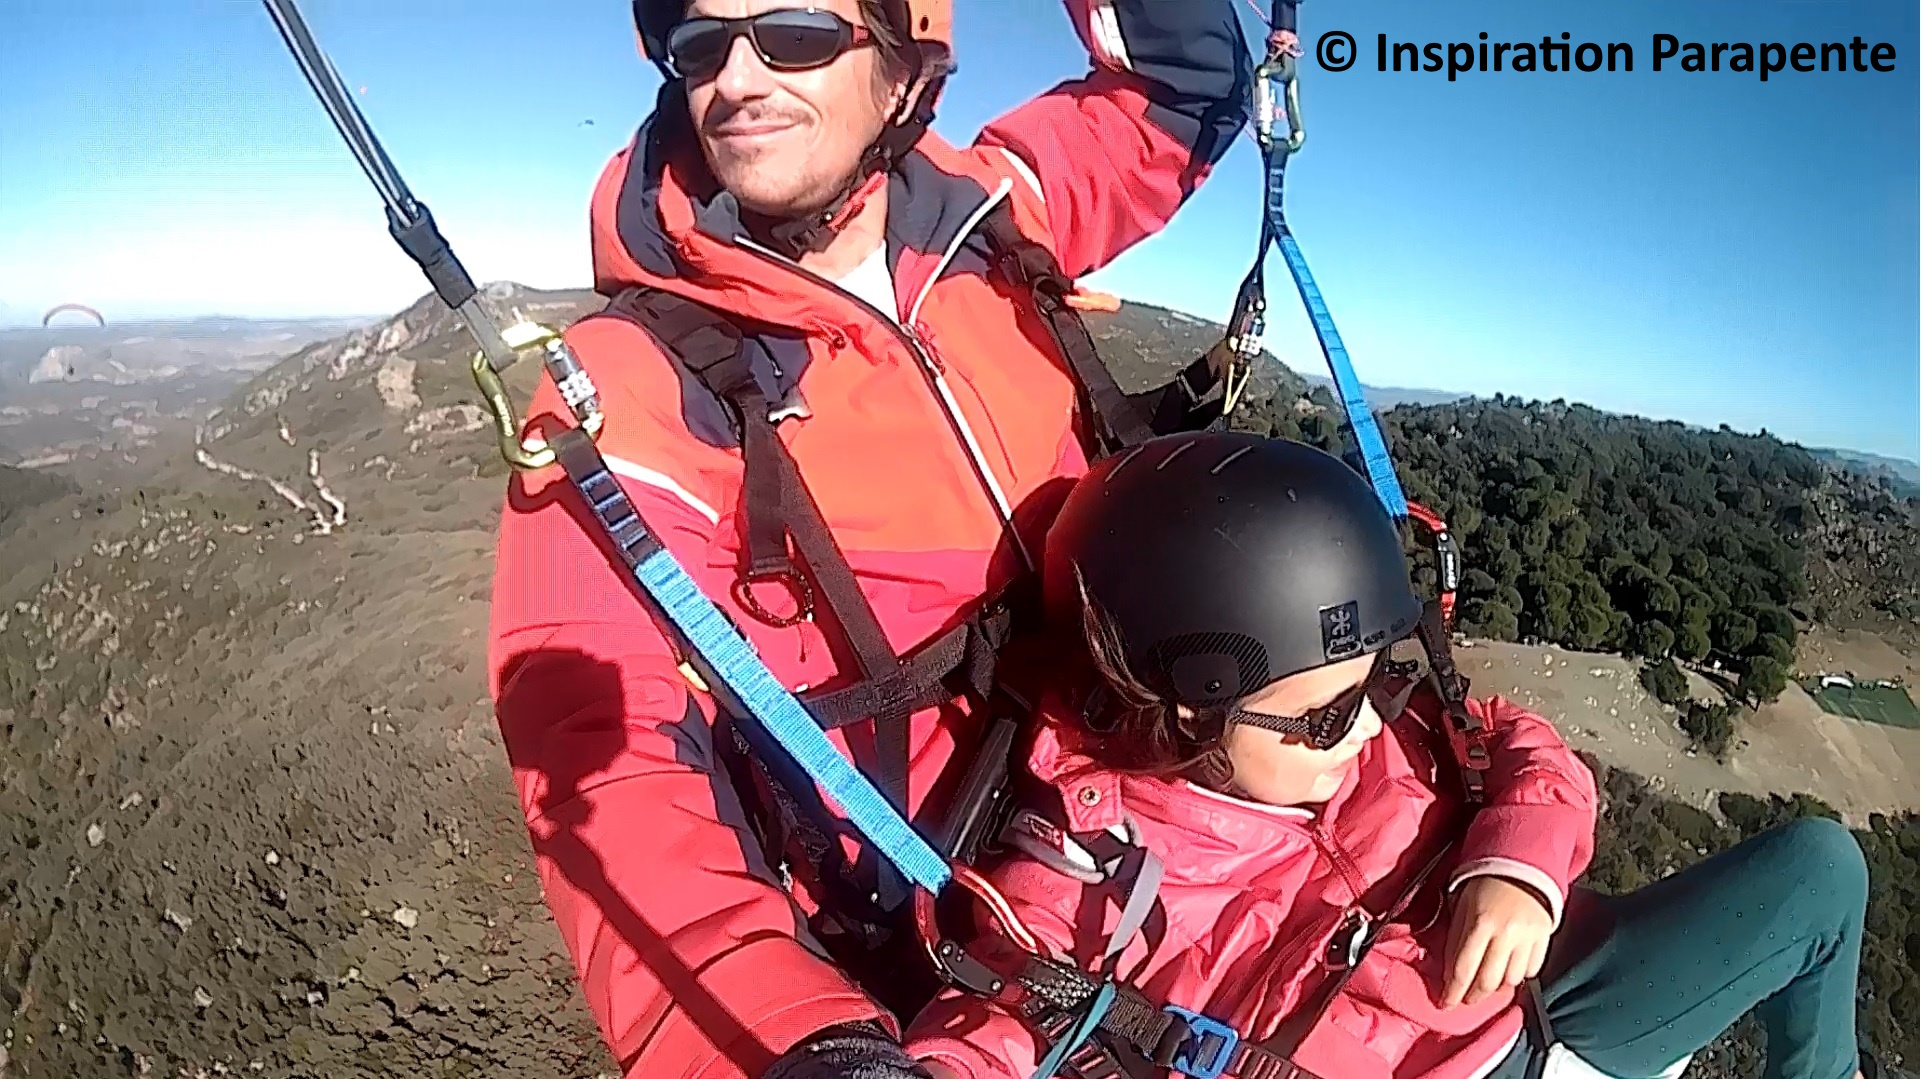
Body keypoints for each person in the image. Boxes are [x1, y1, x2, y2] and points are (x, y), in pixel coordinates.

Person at [485, 3, 1252, 1079]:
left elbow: (1187, 74)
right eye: (702, 45)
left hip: (1172, 816)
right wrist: (798, 1039)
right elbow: (597, 747)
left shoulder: (994, 216)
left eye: (793, 33)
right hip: (955, 938)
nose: (737, 78)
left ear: (903, 70)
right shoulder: (634, 380)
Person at [904, 431, 1906, 1079]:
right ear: (1180, 717)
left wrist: (1516, 860)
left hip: (1552, 994)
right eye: (1325, 718)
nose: (1376, 727)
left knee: (1817, 872)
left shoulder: (1352, 701)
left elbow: (1513, 735)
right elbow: (996, 1012)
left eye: (1370, 687)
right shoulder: (1090, 860)